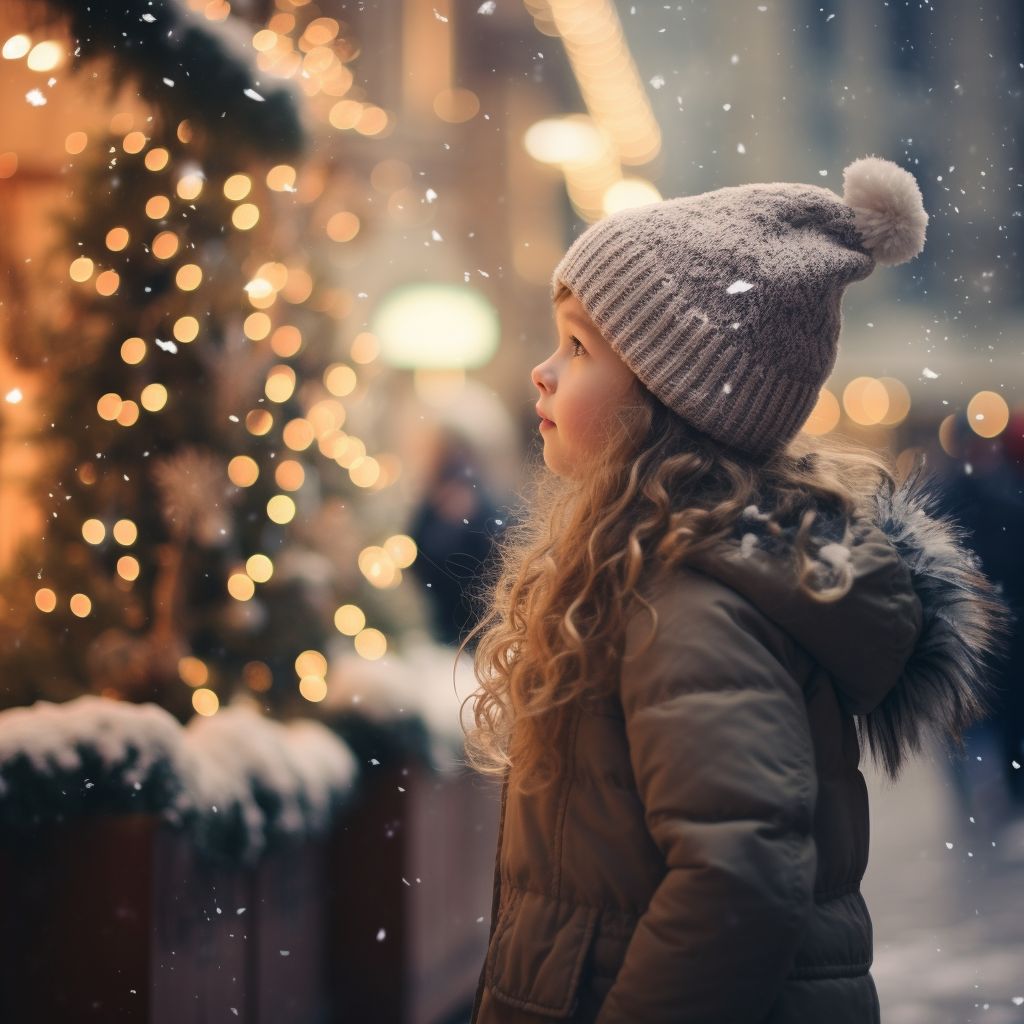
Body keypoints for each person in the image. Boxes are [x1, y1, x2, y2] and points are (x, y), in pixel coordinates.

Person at [463, 158, 1009, 1023]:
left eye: (578, 346)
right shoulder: (651, 575)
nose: (543, 370)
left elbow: (741, 881)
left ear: (667, 401)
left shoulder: (687, 603)